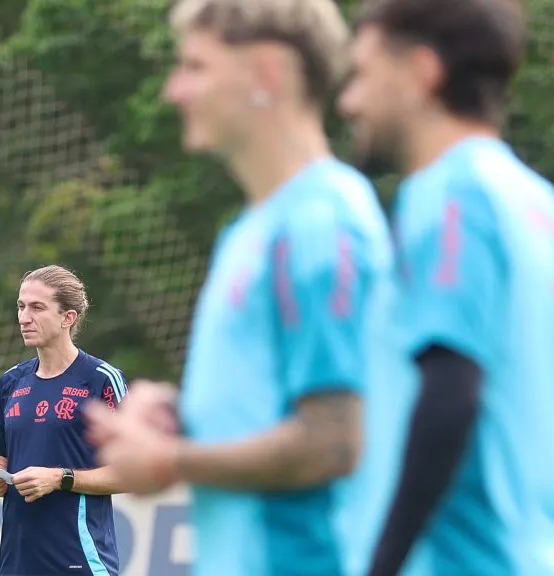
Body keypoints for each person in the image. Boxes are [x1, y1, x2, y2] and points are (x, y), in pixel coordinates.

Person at [85, 0, 396, 574]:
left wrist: (171, 458)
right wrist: (177, 415)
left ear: (267, 73)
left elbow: (333, 439)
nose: (175, 91)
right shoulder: (253, 229)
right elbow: (277, 403)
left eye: (197, 67)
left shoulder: (322, 223)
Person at [337, 0, 554, 573]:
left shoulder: (450, 195)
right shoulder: (541, 206)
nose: (348, 101)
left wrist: (381, 563)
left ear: (422, 71)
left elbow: (451, 388)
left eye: (361, 73)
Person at [0, 265, 130, 576]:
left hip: (81, 562)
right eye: (20, 306)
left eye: (37, 307)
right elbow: (3, 461)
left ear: (67, 318)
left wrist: (61, 478)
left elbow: (133, 473)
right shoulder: (11, 382)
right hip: (17, 563)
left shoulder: (101, 380)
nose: (23, 317)